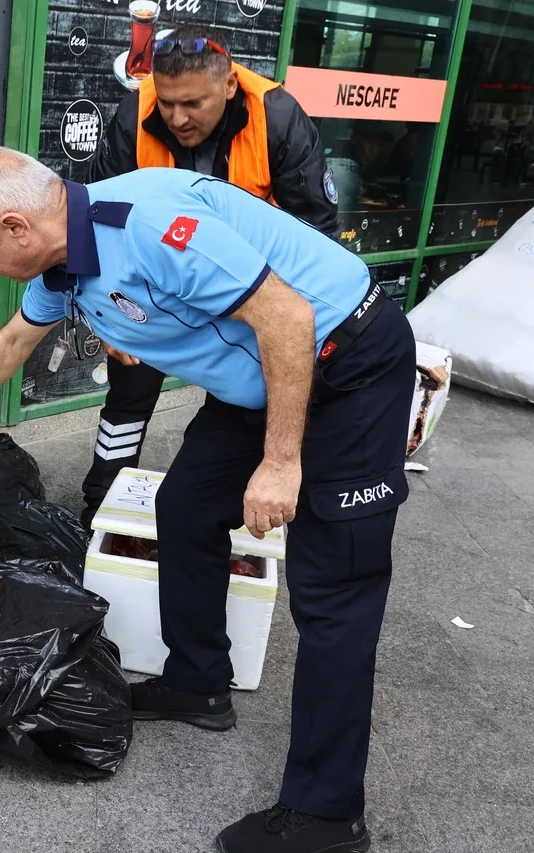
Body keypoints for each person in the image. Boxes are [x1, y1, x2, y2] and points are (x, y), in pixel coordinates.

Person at [0, 145, 415, 853]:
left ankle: (327, 814)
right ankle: (198, 679)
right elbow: (17, 338)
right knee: (187, 507)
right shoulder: (65, 257)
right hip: (258, 379)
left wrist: (281, 461)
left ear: (16, 227)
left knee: (336, 590)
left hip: (343, 361)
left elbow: (287, 318)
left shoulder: (146, 222)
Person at [78, 25, 340, 526]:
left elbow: (316, 233)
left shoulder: (277, 116)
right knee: (128, 392)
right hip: (153, 285)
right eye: (168, 102)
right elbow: (94, 217)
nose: (177, 117)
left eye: (193, 103)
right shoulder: (135, 114)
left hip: (253, 289)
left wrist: (286, 320)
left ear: (229, 85)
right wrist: (103, 321)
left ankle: (247, 502)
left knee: (256, 401)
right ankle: (101, 503)